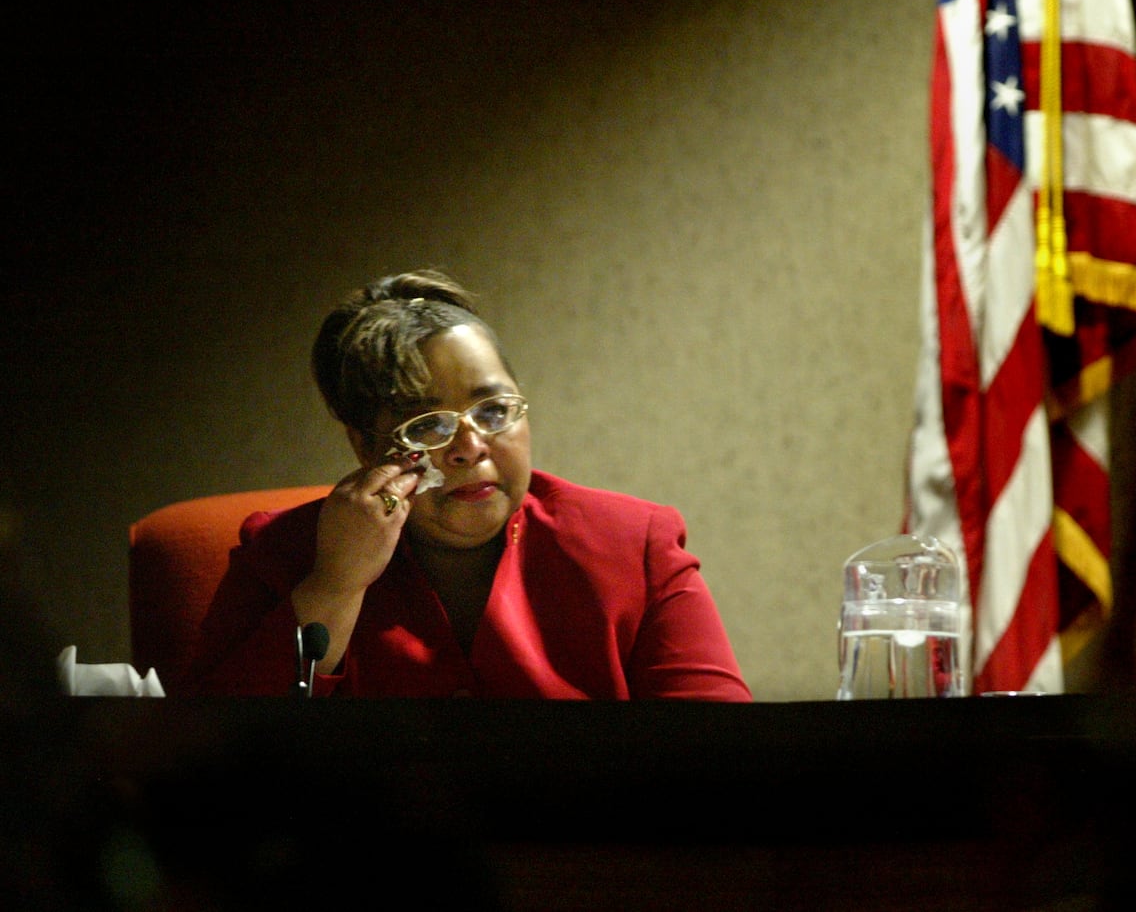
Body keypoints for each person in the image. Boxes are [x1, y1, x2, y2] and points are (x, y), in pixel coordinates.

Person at [185, 269, 751, 700]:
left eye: (494, 410)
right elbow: (210, 763)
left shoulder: (633, 546)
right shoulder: (285, 555)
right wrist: (336, 584)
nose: (469, 446)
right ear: (364, 446)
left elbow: (724, 756)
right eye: (427, 425)